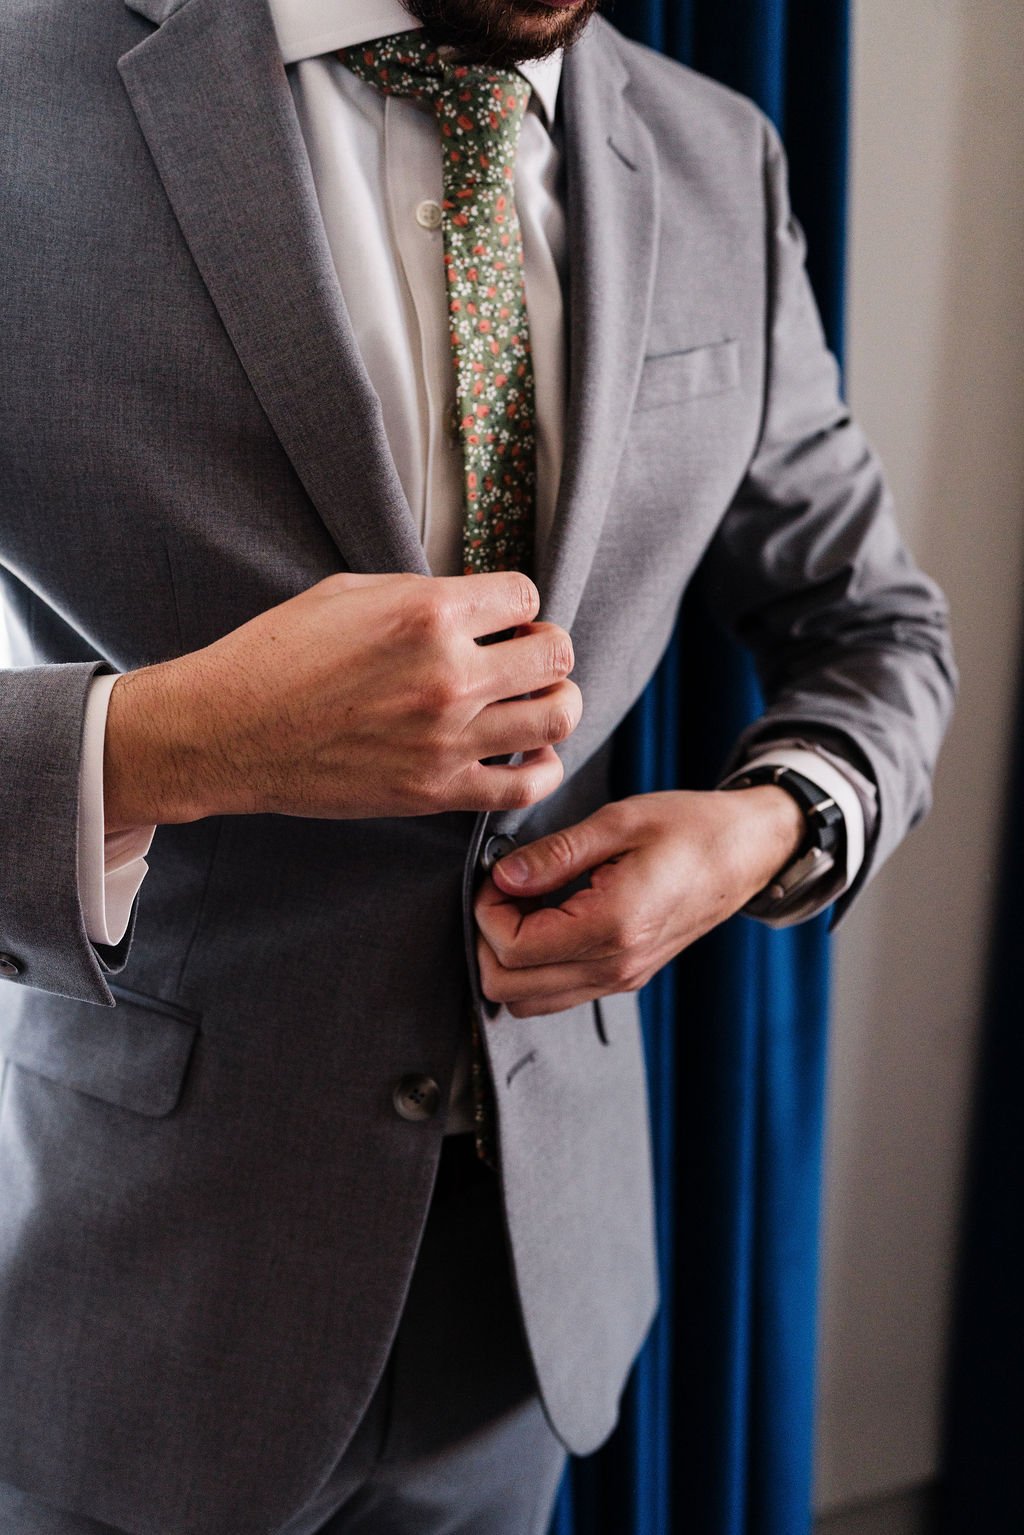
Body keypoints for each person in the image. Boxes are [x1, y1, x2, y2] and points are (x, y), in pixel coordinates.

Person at [0, 0, 956, 1528]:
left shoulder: (717, 155)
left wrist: (767, 830)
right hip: (130, 1299)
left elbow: (876, 626)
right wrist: (186, 742)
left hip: (533, 1295)